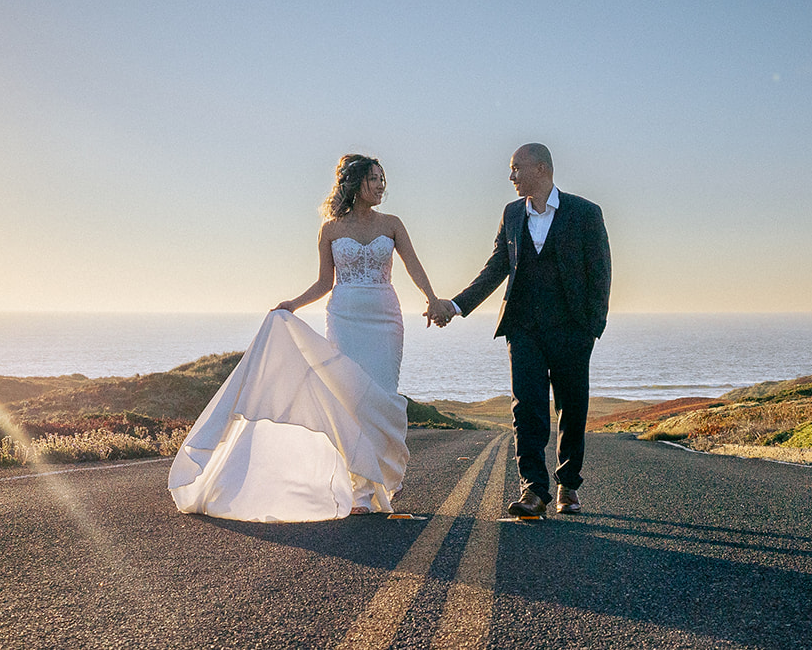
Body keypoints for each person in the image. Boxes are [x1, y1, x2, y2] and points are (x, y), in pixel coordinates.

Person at [168, 154, 446, 521]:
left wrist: (432, 298)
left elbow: (413, 265)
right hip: (345, 318)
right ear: (354, 182)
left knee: (379, 396)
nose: (381, 185)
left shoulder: (392, 224)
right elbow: (324, 282)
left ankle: (378, 481)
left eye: (383, 179)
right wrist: (293, 306)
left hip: (385, 318)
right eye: (374, 179)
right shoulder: (330, 229)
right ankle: (360, 490)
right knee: (351, 401)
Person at [429, 143, 610, 517]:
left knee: (571, 408)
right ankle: (533, 490)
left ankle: (568, 486)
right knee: (526, 408)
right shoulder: (512, 214)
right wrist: (457, 305)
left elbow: (601, 273)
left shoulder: (586, 213)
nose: (510, 176)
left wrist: (592, 327)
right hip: (523, 328)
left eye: (516, 168)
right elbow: (496, 267)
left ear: (541, 169)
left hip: (572, 329)